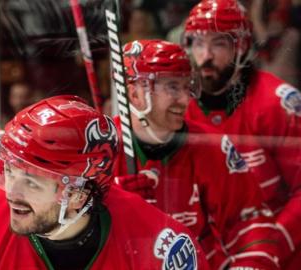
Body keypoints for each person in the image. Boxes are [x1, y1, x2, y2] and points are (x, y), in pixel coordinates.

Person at [0, 95, 210, 270]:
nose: (10, 193)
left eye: (31, 181)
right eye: (11, 171)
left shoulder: (160, 245)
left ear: (77, 196)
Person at [182, 0, 301, 268]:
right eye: (198, 43)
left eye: (219, 44)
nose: (205, 55)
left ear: (242, 46)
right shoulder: (180, 108)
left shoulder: (277, 102)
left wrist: (265, 248)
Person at [113, 39, 283, 269]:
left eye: (187, 86)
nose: (185, 99)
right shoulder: (99, 151)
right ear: (134, 94)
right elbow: (65, 237)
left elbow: (250, 223)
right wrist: (110, 204)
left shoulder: (211, 146)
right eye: (173, 87)